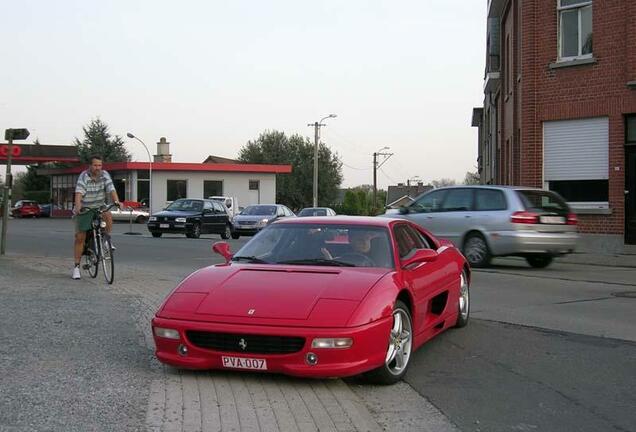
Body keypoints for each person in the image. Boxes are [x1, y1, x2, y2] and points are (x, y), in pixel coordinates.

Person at [71, 155, 120, 280]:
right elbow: (78, 193)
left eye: (100, 165)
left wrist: (116, 201)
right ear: (90, 166)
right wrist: (78, 207)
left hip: (99, 206)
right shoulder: (84, 176)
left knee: (108, 215)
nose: (98, 168)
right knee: (80, 237)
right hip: (85, 207)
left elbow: (111, 189)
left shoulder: (104, 175)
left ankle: (105, 241)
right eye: (95, 165)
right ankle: (76, 267)